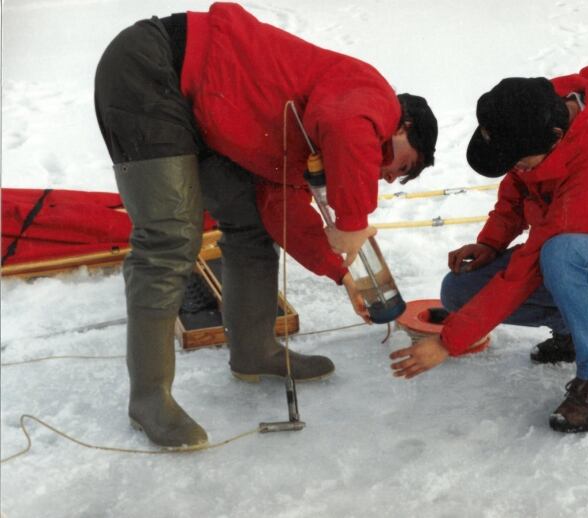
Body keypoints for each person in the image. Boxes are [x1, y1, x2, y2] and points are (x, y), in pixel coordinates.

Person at [94, 2, 438, 447]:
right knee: (169, 240)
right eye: (400, 164)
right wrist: (353, 220)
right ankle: (148, 398)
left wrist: (341, 274)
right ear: (401, 123)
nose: (389, 175)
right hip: (153, 68)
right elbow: (345, 124)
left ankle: (254, 351)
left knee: (252, 225)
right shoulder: (372, 96)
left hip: (202, 113)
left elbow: (281, 210)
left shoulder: (312, 145)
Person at [390, 64, 588, 433]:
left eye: (520, 163)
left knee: (561, 254)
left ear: (555, 138)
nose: (517, 169)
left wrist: (448, 342)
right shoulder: (529, 119)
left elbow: (529, 268)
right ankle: (575, 329)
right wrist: (490, 243)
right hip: (567, 259)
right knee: (459, 289)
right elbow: (517, 192)